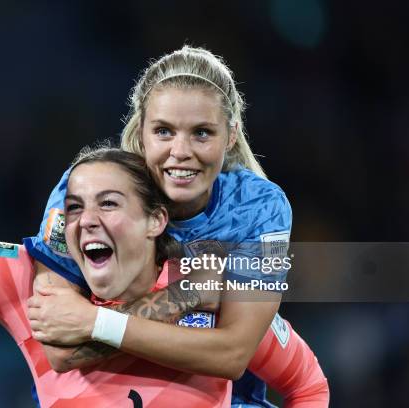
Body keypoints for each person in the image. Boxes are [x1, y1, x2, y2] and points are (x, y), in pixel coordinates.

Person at [0, 88, 233, 406]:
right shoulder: (28, 281)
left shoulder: (215, 276)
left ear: (156, 219)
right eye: (73, 206)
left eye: (109, 203)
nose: (86, 219)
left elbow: (294, 379)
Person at [24, 46, 329, 407]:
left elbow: (232, 355)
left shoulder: (260, 208)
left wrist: (93, 322)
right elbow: (60, 351)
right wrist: (185, 295)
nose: (181, 151)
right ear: (141, 131)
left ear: (230, 136)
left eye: (201, 133)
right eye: (164, 131)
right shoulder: (83, 190)